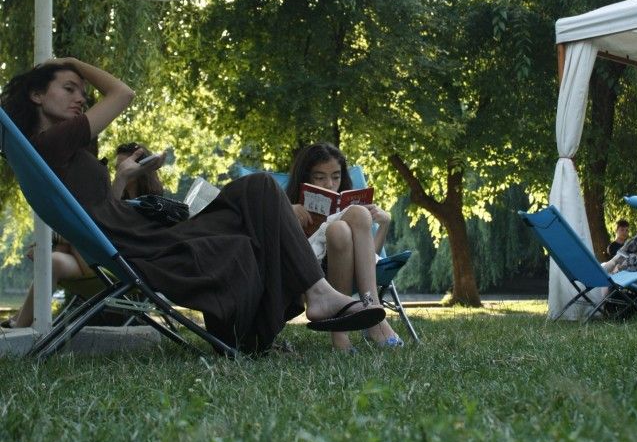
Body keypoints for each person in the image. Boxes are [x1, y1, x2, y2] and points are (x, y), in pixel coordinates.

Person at [0, 60, 384, 351]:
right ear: (37, 95)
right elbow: (123, 93)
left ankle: (300, 304)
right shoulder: (51, 143)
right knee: (259, 196)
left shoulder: (51, 153)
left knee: (257, 199)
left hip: (138, 236)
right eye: (69, 88)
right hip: (146, 244)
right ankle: (314, 295)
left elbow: (101, 213)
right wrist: (71, 61)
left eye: (82, 91)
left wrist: (122, 178)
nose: (82, 98)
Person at [1, 138, 165, 330]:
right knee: (51, 261)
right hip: (98, 262)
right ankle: (21, 324)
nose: (118, 172)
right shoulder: (117, 197)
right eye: (117, 168)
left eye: (122, 167)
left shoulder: (152, 206)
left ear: (141, 168)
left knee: (60, 246)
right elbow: (102, 229)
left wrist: (54, 242)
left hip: (121, 268)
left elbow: (107, 232)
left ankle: (17, 327)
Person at [286, 142, 403, 353]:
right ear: (306, 178)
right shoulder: (289, 206)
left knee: (339, 229)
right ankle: (374, 313)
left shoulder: (345, 210)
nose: (329, 184)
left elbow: (370, 257)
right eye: (319, 177)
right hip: (313, 276)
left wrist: (384, 224)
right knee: (357, 214)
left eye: (336, 177)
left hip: (350, 268)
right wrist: (288, 213)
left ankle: (341, 334)